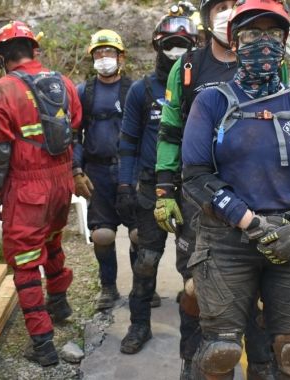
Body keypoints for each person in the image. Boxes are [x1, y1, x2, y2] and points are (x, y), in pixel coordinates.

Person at [181, 0, 290, 378]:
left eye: (273, 34)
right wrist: (249, 222)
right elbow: (196, 174)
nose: (263, 42)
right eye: (252, 34)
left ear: (284, 41)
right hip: (226, 242)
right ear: (235, 43)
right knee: (220, 351)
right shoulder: (212, 101)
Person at [155, 1, 279, 378]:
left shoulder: (272, 60)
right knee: (196, 290)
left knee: (260, 293)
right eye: (220, 6)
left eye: (235, 5)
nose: (227, 12)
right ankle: (195, 364)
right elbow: (171, 132)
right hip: (202, 200)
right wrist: (164, 189)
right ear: (208, 16)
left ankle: (261, 365)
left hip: (261, 199)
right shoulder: (189, 67)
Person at [0, 20, 82, 366]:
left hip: (27, 186)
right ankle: (60, 304)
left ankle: (42, 343)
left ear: (1, 57)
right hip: (60, 182)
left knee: (24, 262)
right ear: (33, 49)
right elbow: (74, 128)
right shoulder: (64, 82)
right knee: (53, 241)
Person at [116, 7, 199, 356]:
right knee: (146, 260)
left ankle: (195, 338)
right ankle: (139, 325)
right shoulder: (141, 90)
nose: (176, 52)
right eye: (169, 45)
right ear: (156, 46)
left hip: (193, 190)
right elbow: (128, 142)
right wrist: (123, 186)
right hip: (151, 189)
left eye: (183, 45)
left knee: (193, 272)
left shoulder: (202, 87)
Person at [73, 29, 139, 311]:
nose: (103, 58)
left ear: (120, 56)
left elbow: (148, 132)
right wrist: (76, 168)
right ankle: (108, 287)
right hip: (97, 171)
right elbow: (74, 134)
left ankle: (142, 288)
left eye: (109, 52)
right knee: (102, 235)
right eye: (98, 54)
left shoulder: (135, 90)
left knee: (139, 234)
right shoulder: (83, 92)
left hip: (131, 170)